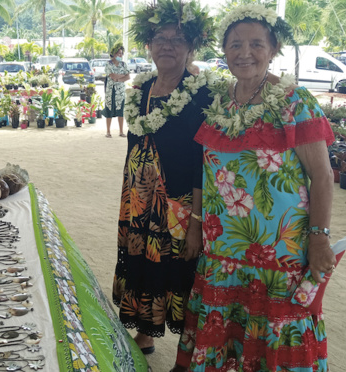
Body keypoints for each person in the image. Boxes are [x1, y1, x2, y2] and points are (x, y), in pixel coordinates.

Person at [175, 5, 336, 371]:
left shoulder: (295, 101)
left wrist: (319, 239)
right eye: (234, 45)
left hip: (279, 251)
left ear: (273, 48)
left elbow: (323, 176)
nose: (244, 52)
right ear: (224, 51)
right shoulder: (218, 103)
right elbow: (205, 171)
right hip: (223, 248)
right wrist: (197, 225)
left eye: (255, 44)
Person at [112, 0, 215, 357]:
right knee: (141, 261)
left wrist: (197, 222)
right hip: (138, 200)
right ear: (149, 44)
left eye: (177, 39)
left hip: (179, 201)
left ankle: (188, 353)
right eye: (160, 38)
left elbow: (205, 160)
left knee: (179, 270)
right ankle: (145, 332)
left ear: (191, 48)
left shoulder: (202, 93)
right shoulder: (139, 90)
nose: (167, 46)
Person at [103, 42, 130, 138]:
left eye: (121, 53)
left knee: (121, 111)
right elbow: (112, 75)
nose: (120, 55)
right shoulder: (108, 64)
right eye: (119, 53)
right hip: (111, 90)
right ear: (114, 54)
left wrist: (119, 79)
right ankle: (108, 131)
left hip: (120, 91)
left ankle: (121, 131)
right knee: (109, 110)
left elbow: (128, 77)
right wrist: (122, 76)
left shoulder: (123, 64)